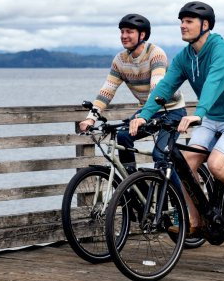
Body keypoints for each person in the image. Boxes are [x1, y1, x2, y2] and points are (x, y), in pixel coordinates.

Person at [129, 1, 224, 231]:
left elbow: (214, 82)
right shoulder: (184, 57)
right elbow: (164, 86)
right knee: (185, 167)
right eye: (181, 21)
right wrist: (144, 115)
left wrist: (198, 113)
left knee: (216, 164)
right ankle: (195, 219)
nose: (183, 25)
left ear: (205, 25)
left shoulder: (221, 50)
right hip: (212, 118)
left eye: (189, 21)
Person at [78, 13, 186, 170]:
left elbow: (156, 88)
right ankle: (135, 186)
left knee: (161, 156)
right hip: (148, 111)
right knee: (122, 136)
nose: (124, 36)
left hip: (172, 111)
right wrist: (91, 119)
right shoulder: (120, 60)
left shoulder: (155, 54)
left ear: (142, 35)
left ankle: (177, 195)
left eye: (129, 32)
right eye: (122, 32)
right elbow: (106, 91)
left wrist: (143, 117)